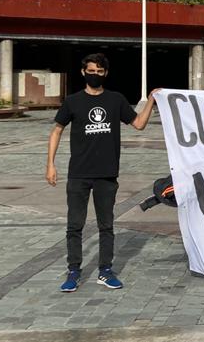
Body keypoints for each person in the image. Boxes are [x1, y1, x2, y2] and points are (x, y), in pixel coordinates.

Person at [46, 53, 160, 293]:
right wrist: (50, 164)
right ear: (83, 72)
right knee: (74, 225)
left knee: (106, 225)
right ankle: (74, 271)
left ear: (105, 74)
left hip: (106, 174)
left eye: (99, 71)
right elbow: (56, 130)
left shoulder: (115, 100)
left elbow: (138, 124)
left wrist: (151, 99)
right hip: (78, 174)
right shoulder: (73, 101)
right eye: (91, 71)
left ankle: (105, 271)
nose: (94, 75)